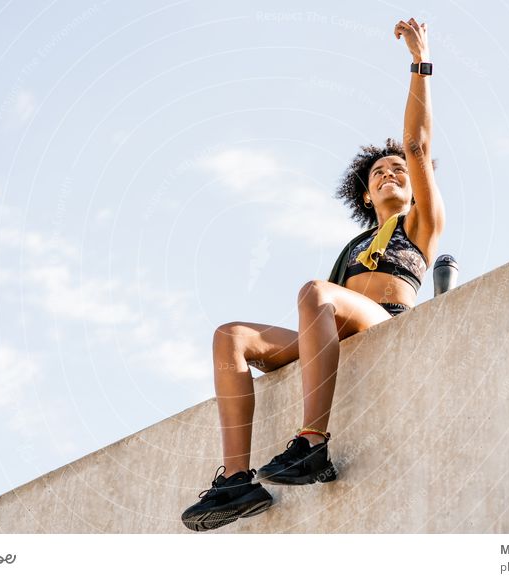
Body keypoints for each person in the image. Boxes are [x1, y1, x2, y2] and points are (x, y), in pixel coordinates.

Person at [181, 16, 445, 532]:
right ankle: (237, 481)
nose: (391, 173)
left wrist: (420, 64)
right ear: (366, 195)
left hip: (382, 318)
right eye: (378, 173)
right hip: (334, 325)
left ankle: (312, 444)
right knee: (230, 337)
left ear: (415, 185)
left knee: (317, 293)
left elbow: (416, 146)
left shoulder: (420, 224)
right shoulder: (355, 245)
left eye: (398, 171)